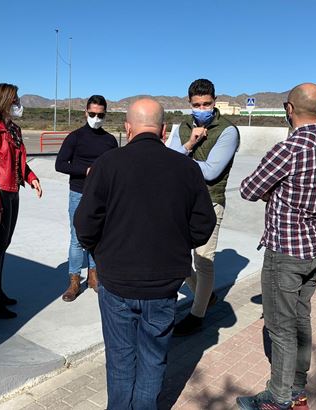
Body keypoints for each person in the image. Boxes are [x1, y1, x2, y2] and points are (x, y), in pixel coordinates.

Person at [74, 98, 216, 409]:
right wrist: (177, 244)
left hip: (116, 283)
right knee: (153, 360)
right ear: (164, 131)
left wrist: (101, 250)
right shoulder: (186, 169)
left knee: (121, 361)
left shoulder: (106, 165)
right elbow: (204, 224)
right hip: (164, 284)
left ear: (127, 128)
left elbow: (84, 225)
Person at [236, 83, 316, 410]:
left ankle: (279, 398)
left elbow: (249, 189)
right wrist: (280, 191)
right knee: (301, 320)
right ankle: (297, 388)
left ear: (289, 109)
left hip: (286, 251)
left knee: (280, 329)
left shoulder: (289, 149)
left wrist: (274, 192)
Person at [169, 79, 240, 336]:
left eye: (206, 104)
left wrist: (180, 157)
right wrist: (188, 144)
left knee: (204, 260)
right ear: (190, 104)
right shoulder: (183, 126)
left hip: (210, 202)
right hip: (182, 201)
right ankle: (205, 296)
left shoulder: (228, 131)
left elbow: (211, 172)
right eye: (197, 104)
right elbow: (169, 158)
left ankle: (197, 315)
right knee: (177, 254)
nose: (202, 108)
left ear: (214, 101)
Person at [0, 83, 43, 320]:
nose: (18, 104)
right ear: (3, 102)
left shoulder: (14, 130)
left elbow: (19, 163)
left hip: (12, 193)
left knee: (3, 245)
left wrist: (32, 177)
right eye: (15, 100)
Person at [55, 95, 118, 302]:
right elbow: (61, 164)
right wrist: (86, 170)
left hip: (102, 196)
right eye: (92, 114)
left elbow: (116, 167)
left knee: (98, 237)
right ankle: (74, 281)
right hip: (79, 194)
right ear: (86, 113)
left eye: (100, 115)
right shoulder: (75, 137)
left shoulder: (110, 140)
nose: (96, 118)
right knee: (77, 239)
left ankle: (94, 277)